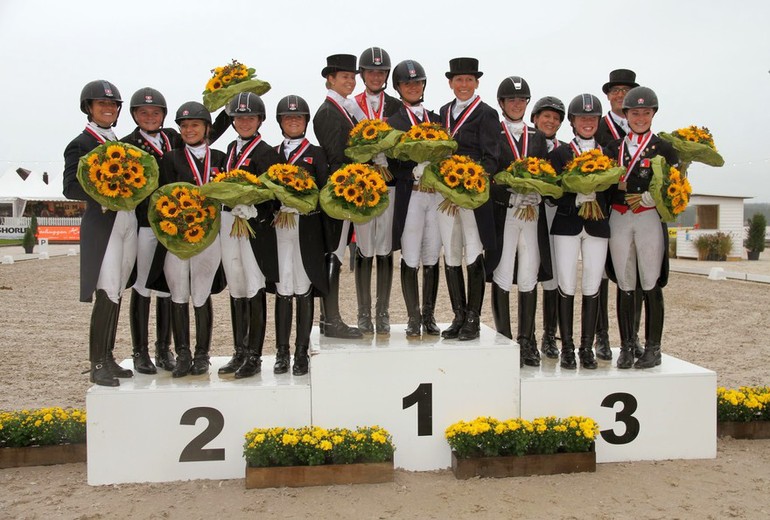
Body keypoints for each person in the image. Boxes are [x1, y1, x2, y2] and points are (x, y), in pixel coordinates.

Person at [63, 80, 136, 387]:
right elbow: (70, 187)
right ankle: (97, 363)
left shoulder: (118, 142)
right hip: (104, 224)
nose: (108, 109)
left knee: (117, 290)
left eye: (113, 105)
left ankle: (108, 356)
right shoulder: (81, 144)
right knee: (106, 290)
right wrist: (105, 192)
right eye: (102, 105)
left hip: (126, 223)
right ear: (89, 108)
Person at [604, 86, 678, 369]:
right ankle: (626, 346)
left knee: (650, 282)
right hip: (620, 218)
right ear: (627, 114)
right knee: (624, 283)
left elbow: (676, 186)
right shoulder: (613, 148)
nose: (640, 117)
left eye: (646, 113)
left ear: (653, 114)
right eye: (635, 113)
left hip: (648, 217)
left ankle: (654, 348)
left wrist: (656, 196)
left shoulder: (664, 148)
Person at [153, 101, 227, 377]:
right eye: (184, 126)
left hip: (209, 237)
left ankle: (202, 354)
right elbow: (162, 199)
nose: (189, 130)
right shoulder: (170, 159)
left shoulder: (220, 158)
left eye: (194, 125)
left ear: (207, 128)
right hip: (177, 239)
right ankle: (182, 353)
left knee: (201, 293)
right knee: (178, 293)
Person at [217, 92, 281, 379]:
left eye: (250, 118)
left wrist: (257, 210)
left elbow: (272, 194)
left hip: (253, 225)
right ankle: (239, 350)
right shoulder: (230, 148)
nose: (245, 122)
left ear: (259, 120)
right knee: (237, 285)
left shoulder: (266, 152)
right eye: (240, 118)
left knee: (254, 285)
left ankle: (254, 355)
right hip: (229, 222)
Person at [488, 76, 551, 366]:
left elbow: (546, 174)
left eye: (522, 100)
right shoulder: (493, 133)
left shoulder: (537, 137)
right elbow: (489, 171)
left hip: (531, 213)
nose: (517, 104)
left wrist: (537, 193)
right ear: (502, 103)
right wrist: (509, 190)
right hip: (505, 211)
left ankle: (527, 341)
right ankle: (504, 337)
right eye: (512, 100)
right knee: (502, 270)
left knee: (528, 272)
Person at [121, 87, 182, 375]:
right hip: (145, 224)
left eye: (155, 112)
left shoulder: (173, 137)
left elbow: (208, 132)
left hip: (173, 227)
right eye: (143, 113)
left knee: (167, 288)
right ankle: (140, 351)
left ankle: (163, 349)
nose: (149, 117)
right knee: (143, 287)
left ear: (163, 115)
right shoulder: (126, 145)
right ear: (134, 115)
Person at [438, 57, 500, 341]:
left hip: (472, 193)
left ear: (476, 83)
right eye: (459, 80)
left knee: (473, 251)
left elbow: (491, 158)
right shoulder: (443, 112)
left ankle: (474, 317)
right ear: (451, 83)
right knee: (451, 253)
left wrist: (467, 185)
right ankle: (458, 314)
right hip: (446, 192)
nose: (464, 85)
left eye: (469, 80)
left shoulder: (486, 113)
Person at [549, 94, 610, 370]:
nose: (588, 122)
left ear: (598, 121)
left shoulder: (608, 153)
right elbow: (553, 192)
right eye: (582, 118)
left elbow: (611, 191)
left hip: (597, 226)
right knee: (566, 283)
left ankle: (587, 347)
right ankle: (567, 348)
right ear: (572, 121)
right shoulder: (560, 153)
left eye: (592, 118)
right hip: (567, 224)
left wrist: (596, 195)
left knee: (592, 284)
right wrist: (575, 198)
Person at [273, 95, 329, 374]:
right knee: (284, 286)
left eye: (298, 117)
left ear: (305, 121)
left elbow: (323, 193)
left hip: (306, 228)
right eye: (287, 117)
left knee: (304, 285)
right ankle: (281, 352)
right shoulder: (273, 153)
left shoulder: (317, 154)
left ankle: (301, 351)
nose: (293, 121)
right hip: (281, 227)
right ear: (280, 122)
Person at [313, 53, 366, 339]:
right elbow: (336, 156)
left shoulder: (343, 109)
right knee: (334, 252)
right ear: (330, 79)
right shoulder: (329, 112)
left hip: (344, 187)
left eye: (352, 77)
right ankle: (331, 320)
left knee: (337, 252)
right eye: (344, 76)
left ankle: (327, 318)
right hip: (339, 190)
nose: (350, 81)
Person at [388, 59, 442, 338]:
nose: (413, 87)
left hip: (434, 197)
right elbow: (391, 163)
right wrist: (412, 169)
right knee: (410, 255)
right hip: (410, 195)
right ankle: (413, 316)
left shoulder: (436, 120)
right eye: (407, 83)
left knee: (432, 254)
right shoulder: (393, 123)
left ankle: (430, 314)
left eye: (417, 82)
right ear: (398, 87)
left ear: (423, 85)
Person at [351, 46, 401, 335]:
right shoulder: (351, 104)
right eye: (371, 71)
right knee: (365, 247)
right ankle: (362, 312)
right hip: (360, 185)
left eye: (381, 72)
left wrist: (387, 156)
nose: (375, 76)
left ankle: (382, 312)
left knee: (383, 247)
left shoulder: (394, 106)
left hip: (389, 181)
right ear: (362, 74)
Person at [594, 68, 642, 362]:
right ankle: (601, 336)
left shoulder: (643, 129)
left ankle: (631, 337)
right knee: (598, 277)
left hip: (633, 212)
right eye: (615, 91)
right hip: (601, 209)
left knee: (631, 277)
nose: (620, 96)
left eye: (625, 91)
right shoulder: (594, 127)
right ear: (608, 96)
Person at [531, 96, 566, 359]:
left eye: (556, 119)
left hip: (556, 215)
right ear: (535, 118)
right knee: (529, 273)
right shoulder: (525, 144)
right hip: (529, 213)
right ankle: (526, 336)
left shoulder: (564, 150)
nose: (551, 121)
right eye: (546, 117)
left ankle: (549, 336)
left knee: (553, 276)